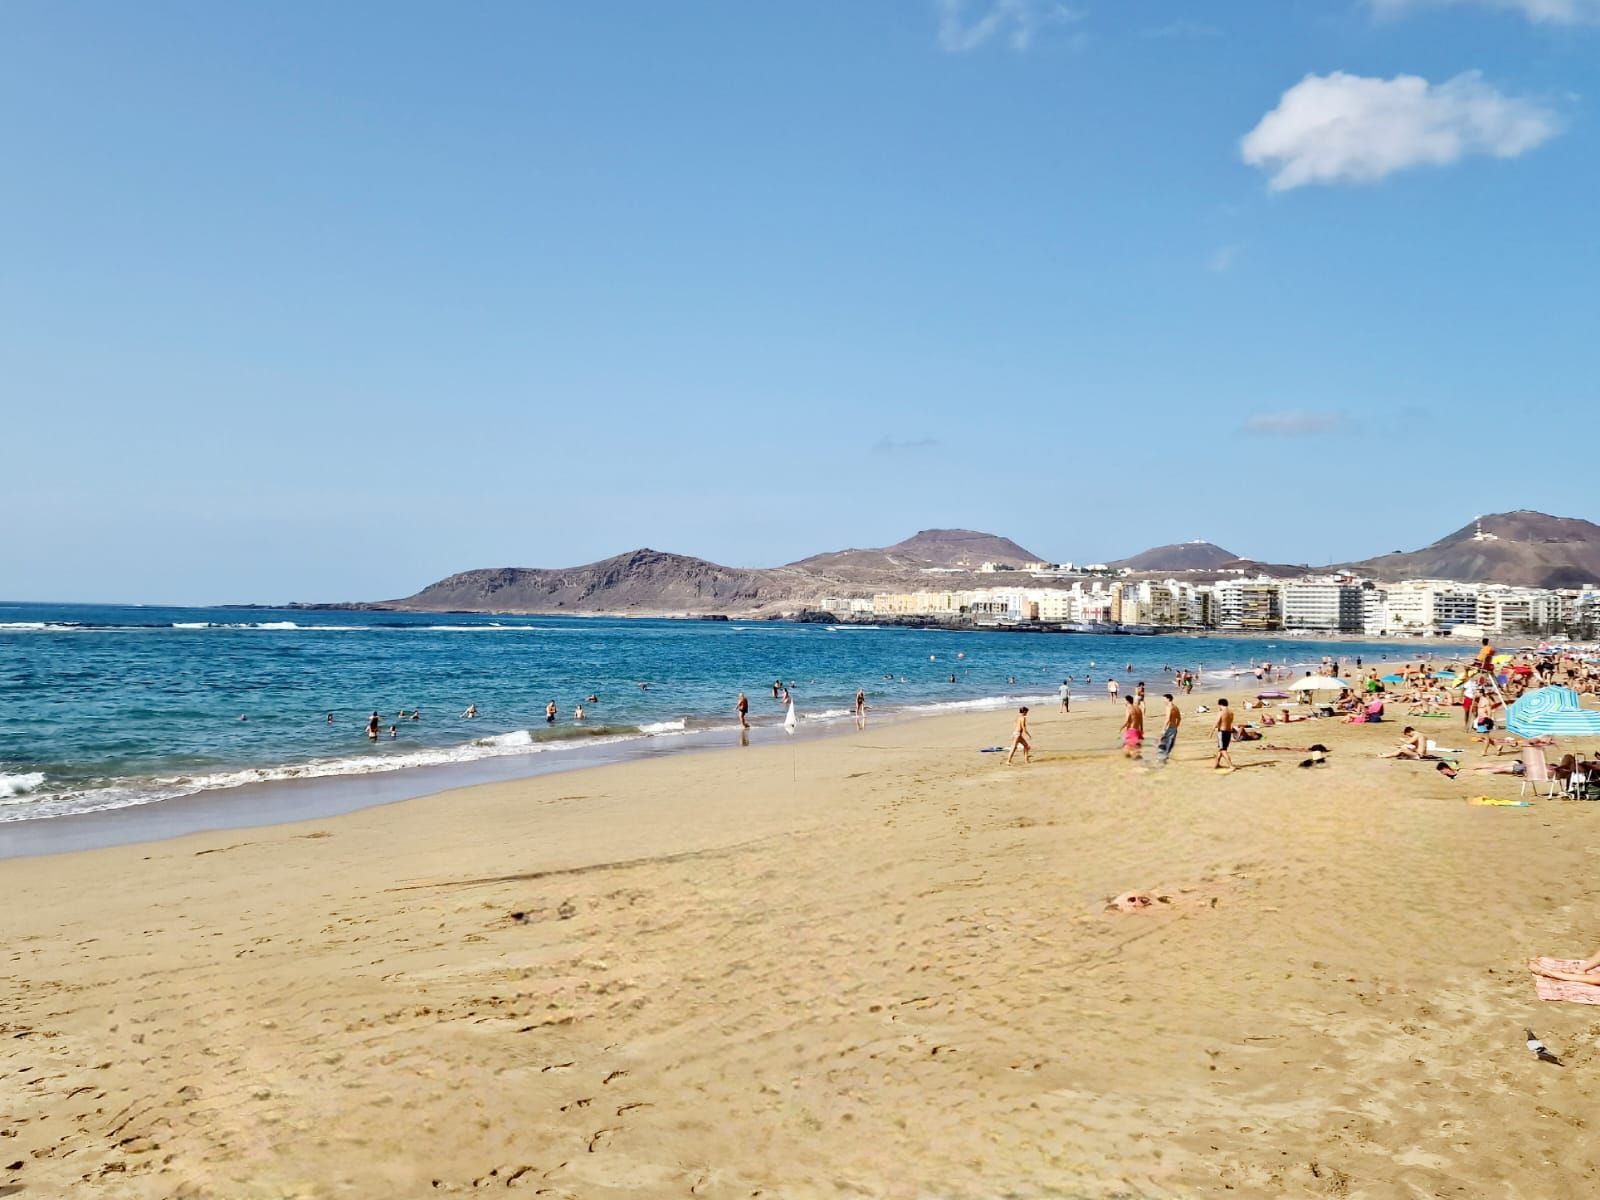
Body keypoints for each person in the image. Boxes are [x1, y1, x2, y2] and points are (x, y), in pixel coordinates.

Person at [1157, 693, 1180, 765]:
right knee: (1170, 744)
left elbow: (1168, 718)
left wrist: (1163, 728)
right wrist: (1176, 726)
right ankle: (1164, 757)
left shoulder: (1169, 707)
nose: (1164, 701)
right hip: (1174, 728)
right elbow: (1179, 718)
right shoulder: (1175, 707)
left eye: (1164, 699)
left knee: (1163, 743)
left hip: (1168, 727)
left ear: (1168, 699)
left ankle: (1161, 758)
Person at [1213, 699, 1236, 771]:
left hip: (1222, 732)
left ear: (1220, 704)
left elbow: (1216, 722)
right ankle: (1217, 764)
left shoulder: (1221, 712)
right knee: (1222, 748)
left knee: (1223, 750)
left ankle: (1231, 766)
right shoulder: (1231, 712)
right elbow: (1231, 721)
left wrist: (1211, 732)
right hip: (1228, 731)